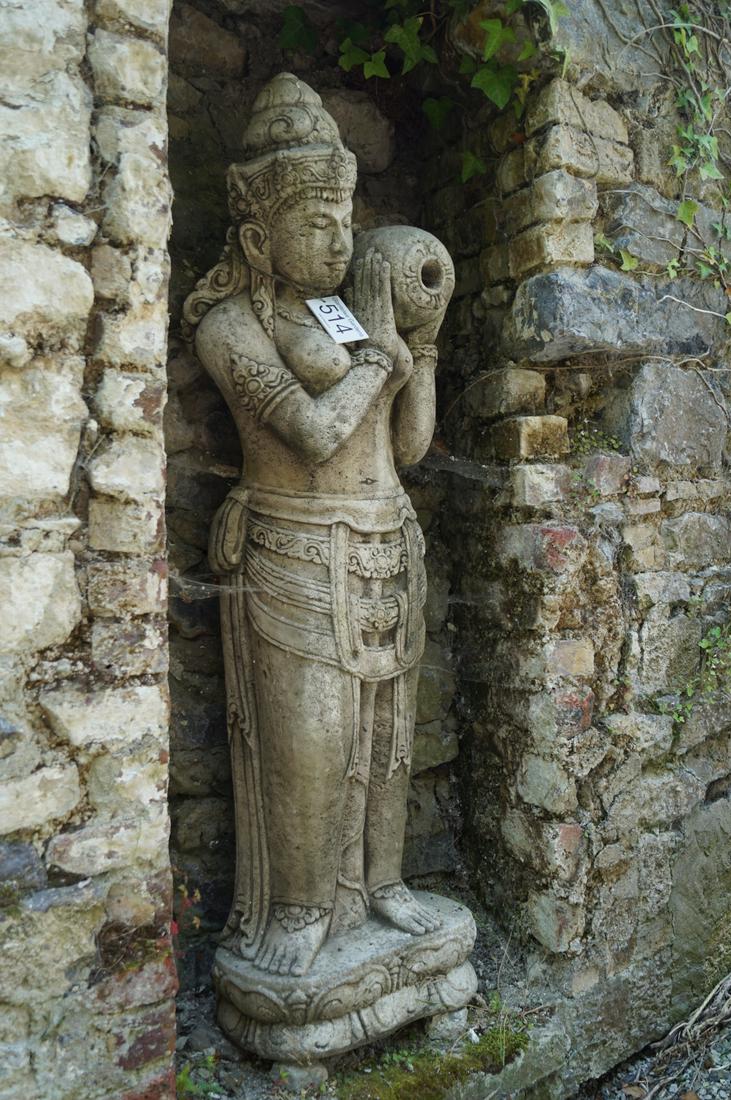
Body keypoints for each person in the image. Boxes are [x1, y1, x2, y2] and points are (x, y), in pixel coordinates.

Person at [183, 73, 446, 979]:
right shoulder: (228, 325)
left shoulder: (348, 314)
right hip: (291, 545)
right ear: (260, 235)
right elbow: (316, 428)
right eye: (316, 221)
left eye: (345, 216)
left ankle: (379, 883)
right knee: (310, 739)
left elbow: (406, 447)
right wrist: (383, 348)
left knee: (384, 737)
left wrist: (430, 345)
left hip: (385, 536)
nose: (341, 235)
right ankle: (296, 909)